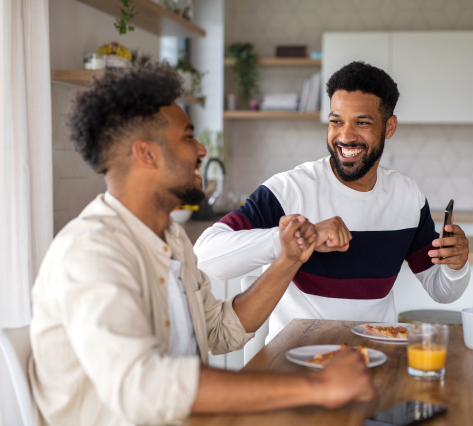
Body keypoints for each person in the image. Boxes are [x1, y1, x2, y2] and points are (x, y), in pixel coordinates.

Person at [29, 64, 374, 426]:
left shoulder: (170, 238)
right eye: (188, 136)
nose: (201, 148)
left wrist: (289, 260)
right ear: (146, 154)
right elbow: (144, 388)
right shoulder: (91, 253)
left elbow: (222, 331)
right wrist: (315, 387)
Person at [194, 61, 471, 343]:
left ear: (389, 127)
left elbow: (441, 291)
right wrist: (298, 238)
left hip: (375, 358)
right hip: (297, 362)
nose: (346, 136)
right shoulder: (289, 190)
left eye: (362, 122)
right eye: (336, 121)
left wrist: (456, 266)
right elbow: (204, 256)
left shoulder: (408, 198)